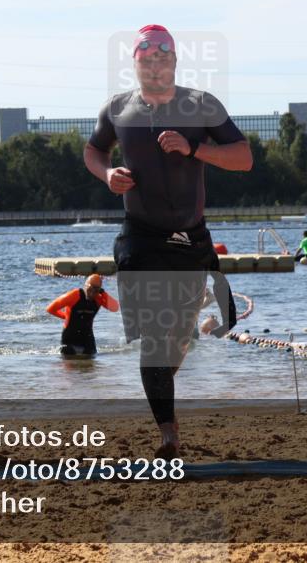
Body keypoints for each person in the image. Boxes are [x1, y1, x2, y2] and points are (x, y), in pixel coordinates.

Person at [84, 24, 252, 458]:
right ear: (135, 63)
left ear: (175, 61)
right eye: (147, 59)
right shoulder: (117, 109)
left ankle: (163, 389)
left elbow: (243, 157)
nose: (155, 66)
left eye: (163, 58)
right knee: (155, 341)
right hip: (139, 237)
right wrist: (107, 173)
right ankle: (168, 434)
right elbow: (93, 151)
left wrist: (194, 149)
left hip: (190, 239)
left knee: (178, 339)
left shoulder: (201, 105)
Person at [46, 274, 118, 357]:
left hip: (87, 336)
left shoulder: (99, 299)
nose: (92, 293)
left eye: (96, 290)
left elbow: (115, 308)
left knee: (91, 361)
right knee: (68, 359)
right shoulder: (74, 295)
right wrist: (65, 316)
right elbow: (50, 309)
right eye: (90, 288)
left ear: (99, 290)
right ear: (85, 286)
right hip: (69, 336)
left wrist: (103, 293)